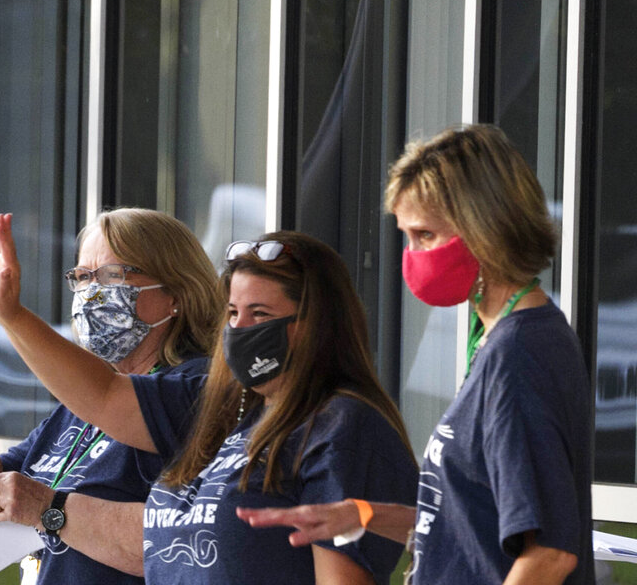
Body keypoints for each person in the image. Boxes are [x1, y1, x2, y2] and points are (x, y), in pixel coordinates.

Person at [236, 124, 594, 584]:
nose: (413, 256)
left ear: (485, 229)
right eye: (407, 236)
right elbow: (472, 529)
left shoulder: (519, 354)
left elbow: (548, 554)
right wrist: (364, 514)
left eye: (425, 235)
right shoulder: (497, 341)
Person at [0, 212, 419, 583]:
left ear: (317, 323)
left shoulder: (341, 427)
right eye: (233, 313)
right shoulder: (235, 410)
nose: (240, 329)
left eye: (261, 314)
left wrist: (12, 314)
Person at [0, 208, 221, 584]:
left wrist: (10, 314)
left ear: (177, 292)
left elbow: (167, 545)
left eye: (113, 275)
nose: (92, 293)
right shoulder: (80, 408)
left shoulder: (195, 386)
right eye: (81, 277)